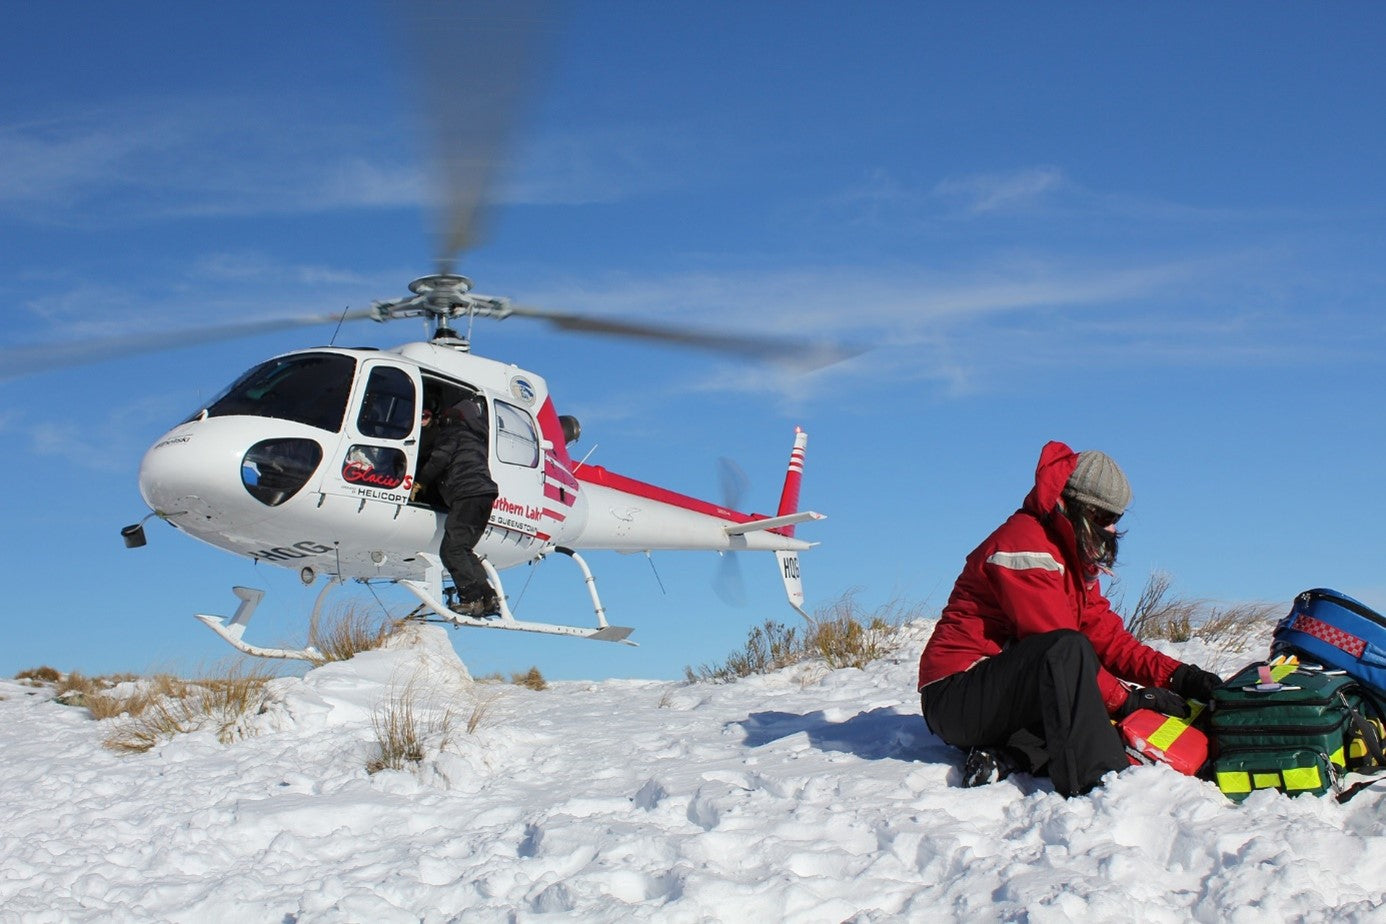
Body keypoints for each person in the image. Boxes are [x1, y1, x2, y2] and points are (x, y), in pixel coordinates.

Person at [917, 440, 1223, 797]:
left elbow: (1108, 639)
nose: (1111, 530)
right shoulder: (1026, 547)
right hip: (956, 696)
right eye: (1104, 518)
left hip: (1003, 693)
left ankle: (1010, 755)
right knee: (1070, 659)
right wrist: (1127, 700)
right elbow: (1059, 648)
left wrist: (1180, 676)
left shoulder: (1071, 560)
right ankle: (1103, 783)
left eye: (1117, 518)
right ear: (1071, 506)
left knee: (1086, 701)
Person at [414, 395, 501, 617]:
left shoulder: (451, 434)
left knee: (450, 550)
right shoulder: (475, 438)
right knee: (464, 549)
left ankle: (471, 599)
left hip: (467, 494)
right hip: (485, 495)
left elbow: (438, 460)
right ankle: (489, 598)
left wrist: (420, 482)